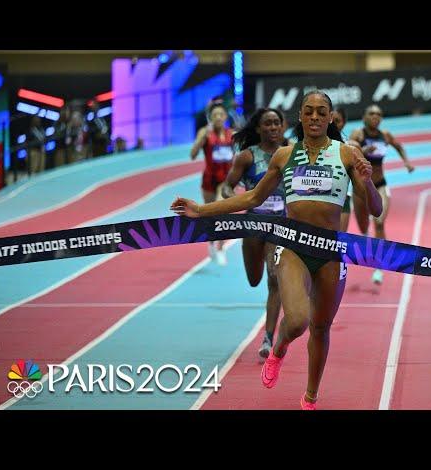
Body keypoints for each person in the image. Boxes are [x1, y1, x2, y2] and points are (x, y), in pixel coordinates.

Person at [172, 90, 382, 409]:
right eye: (308, 111)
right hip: (293, 247)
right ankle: (279, 348)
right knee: (297, 321)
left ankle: (310, 397)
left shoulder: (347, 154)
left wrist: (366, 183)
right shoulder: (284, 155)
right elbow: (252, 198)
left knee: (321, 328)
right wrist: (201, 210)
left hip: (330, 252)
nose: (314, 117)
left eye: (320, 111)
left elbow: (375, 209)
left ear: (329, 117)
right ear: (300, 116)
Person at [221, 107, 287, 361]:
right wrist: (232, 199)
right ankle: (259, 258)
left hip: (280, 225)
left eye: (276, 123)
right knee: (254, 279)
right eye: (267, 124)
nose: (272, 127)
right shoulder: (247, 157)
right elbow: (228, 185)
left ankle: (268, 337)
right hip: (253, 225)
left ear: (282, 127)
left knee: (274, 280)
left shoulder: (291, 152)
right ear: (258, 128)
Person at [349, 104, 415, 284]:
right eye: (371, 113)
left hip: (379, 185)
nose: (375, 117)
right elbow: (347, 154)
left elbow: (399, 146)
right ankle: (369, 245)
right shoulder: (358, 135)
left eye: (378, 114)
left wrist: (406, 162)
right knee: (363, 230)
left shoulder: (385, 136)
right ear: (364, 117)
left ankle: (379, 267)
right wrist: (362, 152)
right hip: (360, 189)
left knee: (378, 222)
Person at [190, 103, 235, 265]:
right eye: (214, 115)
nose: (217, 117)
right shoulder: (205, 133)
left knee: (222, 212)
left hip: (226, 180)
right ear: (210, 118)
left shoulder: (232, 134)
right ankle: (210, 242)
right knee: (209, 214)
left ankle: (221, 248)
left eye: (220, 115)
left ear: (225, 117)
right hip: (209, 179)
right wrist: (202, 139)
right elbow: (193, 155)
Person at [332, 107, 361, 232]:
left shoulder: (351, 148)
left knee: (339, 242)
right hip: (319, 200)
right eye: (331, 121)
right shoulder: (314, 145)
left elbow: (361, 181)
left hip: (342, 200)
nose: (333, 125)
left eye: (337, 121)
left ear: (344, 123)